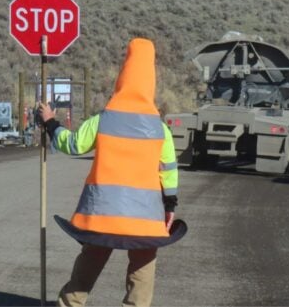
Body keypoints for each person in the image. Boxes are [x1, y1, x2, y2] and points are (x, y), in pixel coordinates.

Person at [39, 38, 186, 307]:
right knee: (143, 267)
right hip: (145, 217)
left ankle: (69, 304)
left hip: (102, 215)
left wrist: (50, 123)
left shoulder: (103, 120)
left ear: (122, 78)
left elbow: (71, 144)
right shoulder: (160, 129)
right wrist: (170, 204)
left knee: (90, 261)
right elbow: (169, 171)